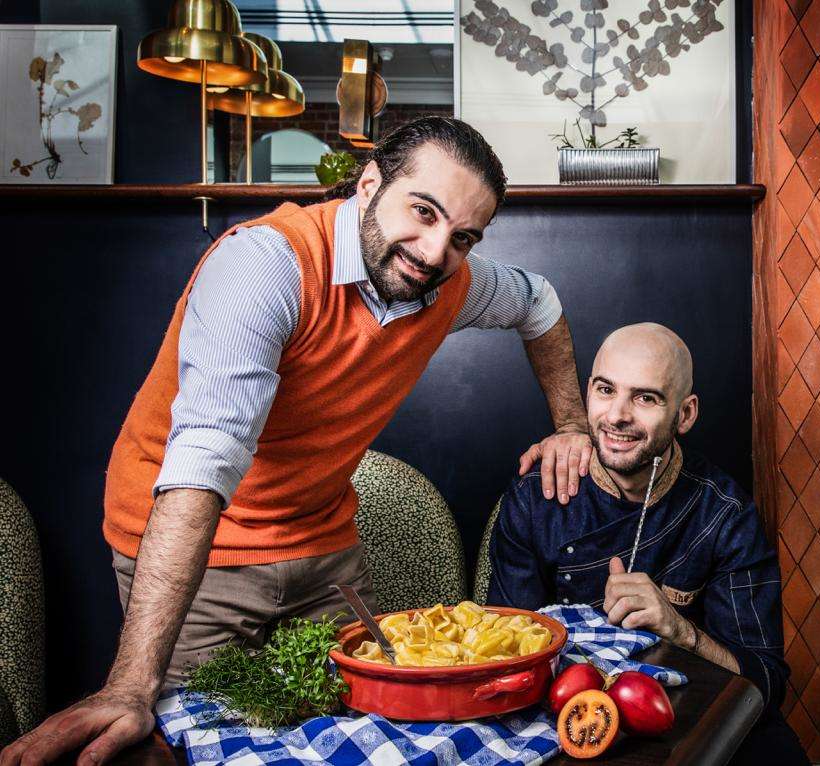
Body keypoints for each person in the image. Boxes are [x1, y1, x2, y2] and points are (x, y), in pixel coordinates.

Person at [1, 117, 593, 766]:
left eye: (462, 237)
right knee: (196, 747)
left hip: (322, 546)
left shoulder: (453, 283)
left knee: (359, 736)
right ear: (369, 184)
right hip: (200, 549)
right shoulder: (265, 264)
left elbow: (541, 302)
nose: (432, 251)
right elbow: (203, 466)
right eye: (422, 212)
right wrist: (128, 687)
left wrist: (572, 427)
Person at [487, 323, 809, 765]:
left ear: (686, 413)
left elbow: (766, 682)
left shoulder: (724, 515)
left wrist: (678, 629)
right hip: (574, 717)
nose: (617, 415)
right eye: (605, 390)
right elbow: (503, 655)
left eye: (645, 398)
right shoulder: (534, 501)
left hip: (691, 719)